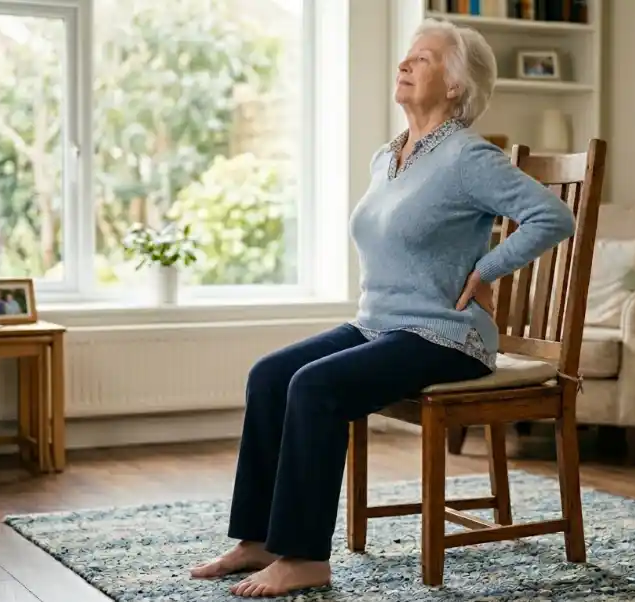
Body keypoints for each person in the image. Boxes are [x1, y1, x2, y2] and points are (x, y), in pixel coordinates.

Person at [190, 18, 576, 598]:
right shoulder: (387, 157)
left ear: (454, 86)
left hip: (446, 337)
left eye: (423, 59)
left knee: (315, 388)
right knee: (270, 376)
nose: (405, 64)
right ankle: (260, 539)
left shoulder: (471, 157)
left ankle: (304, 557)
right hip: (377, 325)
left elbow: (554, 216)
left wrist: (486, 268)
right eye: (408, 55)